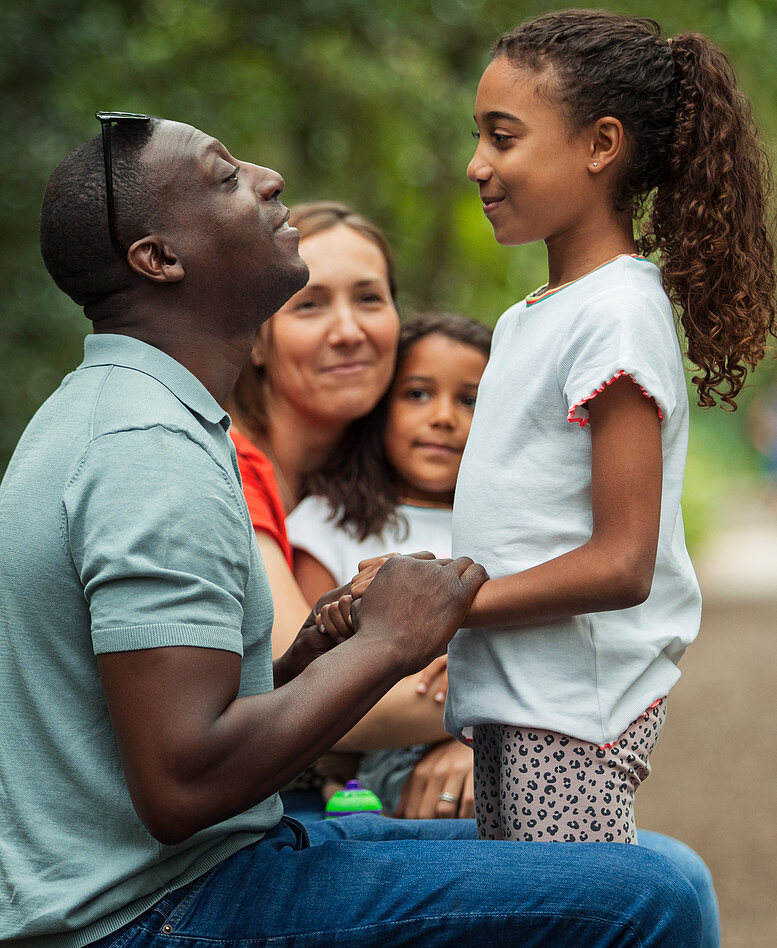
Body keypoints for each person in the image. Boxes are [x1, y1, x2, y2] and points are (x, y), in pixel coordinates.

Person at [0, 114, 712, 948]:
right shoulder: (147, 457)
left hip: (174, 887)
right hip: (138, 930)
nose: (267, 172)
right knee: (641, 909)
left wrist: (315, 651)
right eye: (222, 176)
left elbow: (184, 728)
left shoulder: (138, 414)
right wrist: (385, 643)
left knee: (666, 874)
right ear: (159, 256)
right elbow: (181, 784)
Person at [387, 11, 772, 848]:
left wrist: (447, 607)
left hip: (569, 717)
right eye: (477, 136)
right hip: (514, 701)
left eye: (503, 137)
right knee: (525, 947)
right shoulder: (535, 316)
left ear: (600, 144)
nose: (476, 164)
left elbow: (621, 562)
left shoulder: (616, 316)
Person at [228, 204, 478, 819]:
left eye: (369, 299)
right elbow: (306, 696)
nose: (348, 330)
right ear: (257, 338)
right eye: (309, 305)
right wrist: (489, 728)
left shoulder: (392, 487)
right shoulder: (227, 464)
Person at [287, 312, 491, 816]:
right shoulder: (327, 524)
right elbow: (301, 659)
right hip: (356, 767)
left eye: (470, 400)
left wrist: (466, 741)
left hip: (484, 759)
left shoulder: (502, 534)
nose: (444, 416)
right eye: (418, 394)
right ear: (380, 407)